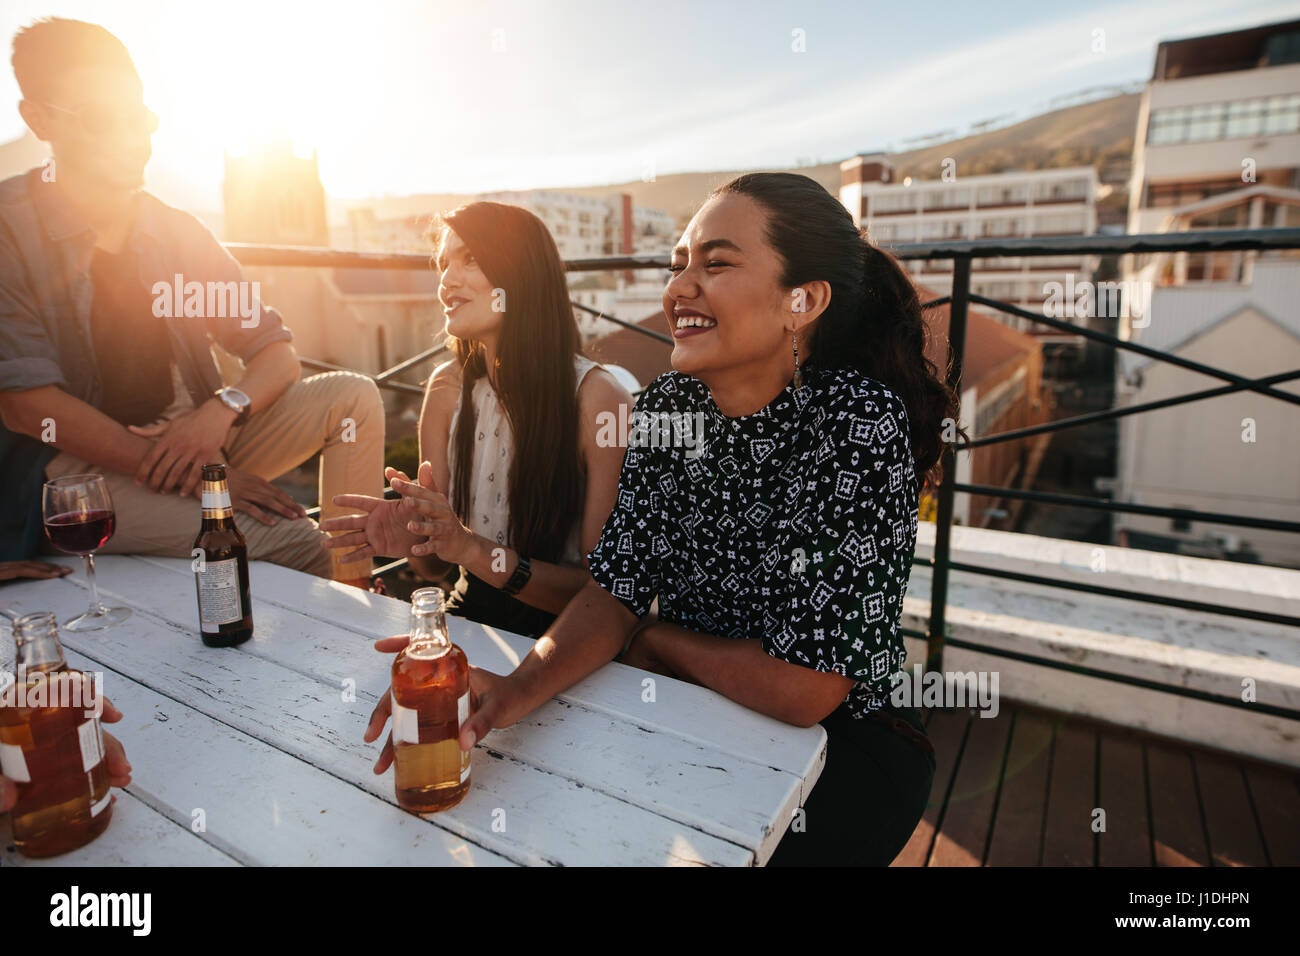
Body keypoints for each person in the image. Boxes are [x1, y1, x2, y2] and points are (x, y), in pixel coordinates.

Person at [367, 172, 965, 865]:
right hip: (691, 712)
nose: (679, 288)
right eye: (678, 264)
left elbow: (806, 687)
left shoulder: (855, 423)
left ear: (804, 301)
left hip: (846, 750)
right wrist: (508, 695)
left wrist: (657, 642)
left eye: (716, 263)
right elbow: (614, 591)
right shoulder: (667, 409)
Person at [0, 18, 384, 586]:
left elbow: (276, 352)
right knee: (296, 540)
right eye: (104, 119)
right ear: (40, 119)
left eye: (141, 118)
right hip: (77, 471)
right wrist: (205, 477)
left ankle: (361, 607)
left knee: (352, 396)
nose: (133, 138)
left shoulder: (175, 230)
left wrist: (219, 411)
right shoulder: (11, 228)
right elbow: (28, 407)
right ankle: (360, 631)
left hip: (198, 439)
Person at [321, 202, 633, 635]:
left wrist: (472, 549)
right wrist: (415, 536)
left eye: (470, 258)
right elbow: (432, 568)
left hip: (570, 637)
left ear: (521, 274)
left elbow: (607, 594)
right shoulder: (446, 389)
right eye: (444, 262)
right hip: (471, 614)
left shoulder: (600, 401)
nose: (447, 279)